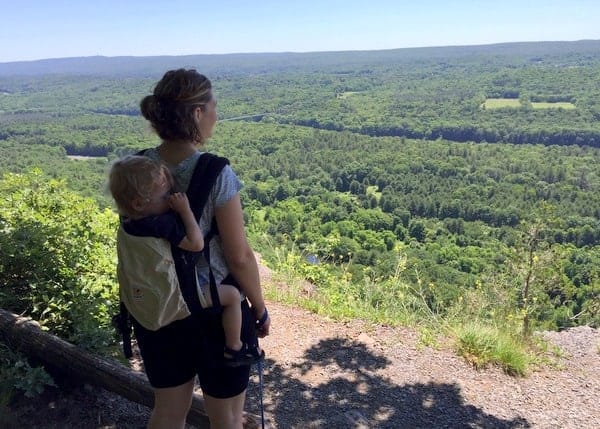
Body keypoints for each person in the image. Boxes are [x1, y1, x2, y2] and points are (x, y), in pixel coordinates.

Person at [134, 68, 270, 429]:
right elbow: (239, 256)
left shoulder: (137, 169)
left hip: (158, 309)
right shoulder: (216, 173)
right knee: (226, 419)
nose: (216, 114)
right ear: (196, 112)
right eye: (213, 106)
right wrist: (259, 308)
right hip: (213, 313)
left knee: (167, 412)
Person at [108, 155, 264, 368]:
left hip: (149, 299)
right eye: (164, 196)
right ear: (138, 203)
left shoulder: (128, 224)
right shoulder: (160, 224)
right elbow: (195, 243)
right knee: (233, 296)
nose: (170, 198)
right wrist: (185, 210)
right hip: (179, 297)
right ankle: (234, 348)